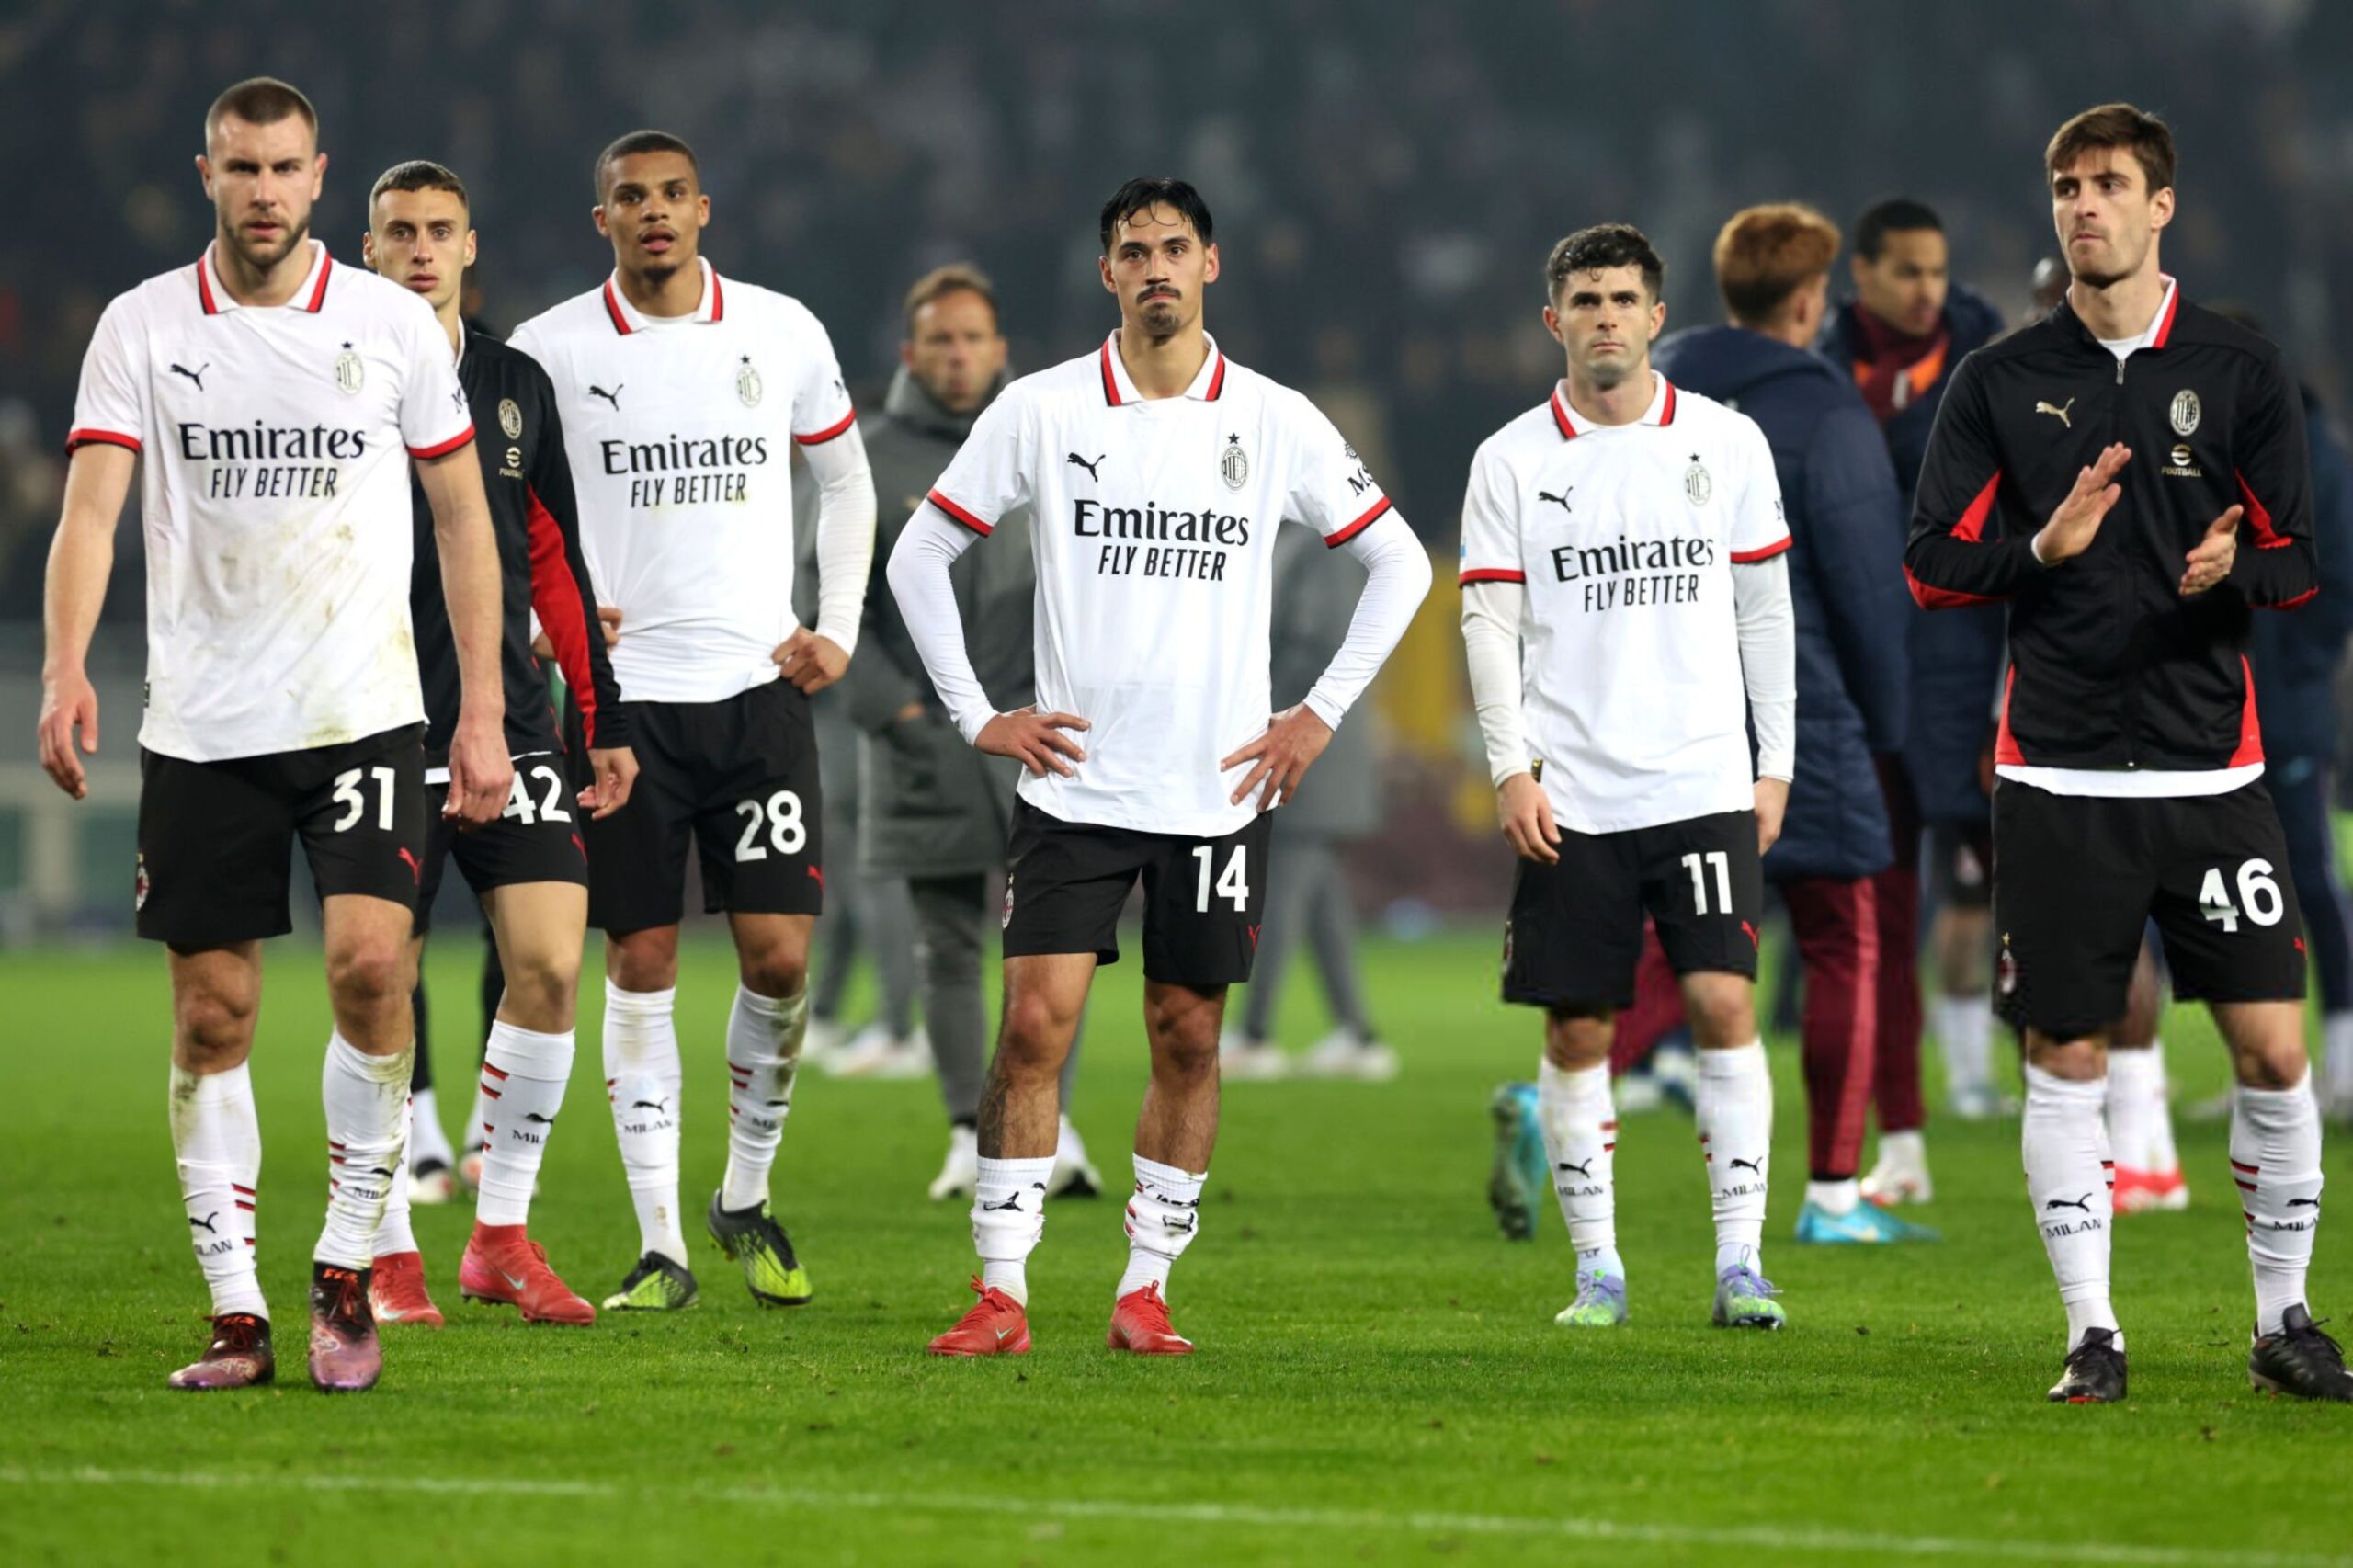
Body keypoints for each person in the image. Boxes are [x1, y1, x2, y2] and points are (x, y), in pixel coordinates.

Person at [890, 177, 1429, 1356]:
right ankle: (1001, 1292)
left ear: (1210, 265)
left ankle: (1146, 1290)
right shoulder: (1041, 409)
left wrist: (1318, 714)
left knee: (1187, 1032)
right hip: (1075, 784)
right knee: (1035, 1025)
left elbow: (1399, 562)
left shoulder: (1275, 418)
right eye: (1132, 251)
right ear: (1107, 275)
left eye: (1174, 248)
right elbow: (920, 552)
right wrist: (979, 710)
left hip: (1218, 790)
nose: (1154, 269)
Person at [38, 78, 509, 1392]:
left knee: (372, 970)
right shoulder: (141, 326)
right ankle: (238, 1311)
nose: (263, 190)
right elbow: (91, 512)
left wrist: (480, 707)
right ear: (207, 173)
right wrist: (66, 664)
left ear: (318, 178)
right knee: (213, 1010)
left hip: (362, 711)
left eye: (285, 168)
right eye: (240, 168)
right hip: (204, 724)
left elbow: (466, 520)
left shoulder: (388, 324)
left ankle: (348, 1264)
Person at [1905, 103, 2345, 1403]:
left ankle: (2287, 1321)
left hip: (2215, 773)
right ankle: (2092, 1331)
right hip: (2058, 775)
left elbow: (2304, 561)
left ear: (2163, 207)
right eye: (2065, 186)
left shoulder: (2240, 369)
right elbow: (1931, 562)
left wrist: (2237, 567)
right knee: (2068, 1054)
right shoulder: (1996, 382)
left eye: (2108, 184)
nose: (2083, 205)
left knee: (2271, 1047)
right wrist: (2038, 554)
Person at [510, 130, 877, 1312]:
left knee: (778, 959)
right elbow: (489, 507)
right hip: (622, 706)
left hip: (758, 693)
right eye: (631, 198)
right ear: (601, 219)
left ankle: (745, 1195)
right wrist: (538, 621)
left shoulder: (781, 329)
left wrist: (839, 623)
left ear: (703, 209)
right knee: (642, 957)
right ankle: (661, 1242)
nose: (654, 214)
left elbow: (847, 479)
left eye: (672, 196)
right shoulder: (549, 349)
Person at [1459, 222, 1798, 1330]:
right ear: (1552, 321)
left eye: (1623, 299)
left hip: (1701, 780)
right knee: (1578, 1032)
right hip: (1577, 792)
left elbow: (1764, 610)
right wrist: (1510, 767)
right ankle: (1597, 1267)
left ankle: (1739, 1261)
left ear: (1658, 317)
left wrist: (1774, 760)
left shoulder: (1726, 443)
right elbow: (1488, 621)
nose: (1605, 317)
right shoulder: (1511, 458)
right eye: (1584, 300)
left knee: (1720, 1001)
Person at [358, 158, 639, 1326]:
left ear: (471, 245)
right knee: (379, 978)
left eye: (442, 230)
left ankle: (500, 1234)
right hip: (370, 713)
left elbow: (553, 554)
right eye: (400, 231)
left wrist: (599, 710)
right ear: (367, 248)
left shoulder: (515, 382)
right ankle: (378, 1243)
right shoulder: (340, 368)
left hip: (510, 717)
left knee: (552, 965)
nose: (423, 248)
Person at [1654, 204, 1934, 1246]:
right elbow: (1865, 583)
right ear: (1813, 300)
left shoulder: (1654, 396)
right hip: (1801, 712)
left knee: (1666, 935)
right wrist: (1887, 721)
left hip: (1670, 715)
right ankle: (1829, 1191)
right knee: (1844, 935)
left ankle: (1559, 1093)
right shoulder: (1823, 413)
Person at [832, 264, 1100, 1200]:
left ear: (1000, 350)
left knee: (1060, 941)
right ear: (909, 354)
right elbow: (823, 602)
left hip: (1044, 737)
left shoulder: (1048, 441)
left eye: (973, 338)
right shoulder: (866, 456)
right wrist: (900, 713)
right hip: (924, 739)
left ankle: (1048, 1129)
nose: (958, 355)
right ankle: (963, 1131)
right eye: (940, 339)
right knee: (944, 944)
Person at [1818, 199, 2010, 1186]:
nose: (1927, 289)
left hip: (1973, 688)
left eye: (1937, 271)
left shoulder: (1991, 371)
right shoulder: (1815, 374)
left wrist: (1999, 702)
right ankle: (1902, 1131)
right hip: (1864, 681)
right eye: (1907, 272)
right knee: (1880, 911)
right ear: (1863, 276)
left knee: (2049, 898)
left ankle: (2116, 1112)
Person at [1218, 524, 1395, 1082]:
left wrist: (1249, 702)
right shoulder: (1289, 543)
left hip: (1306, 742)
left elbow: (1318, 644)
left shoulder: (1322, 547)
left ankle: (1255, 1034)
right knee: (1318, 896)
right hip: (1306, 742)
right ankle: (1358, 1034)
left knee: (1283, 884)